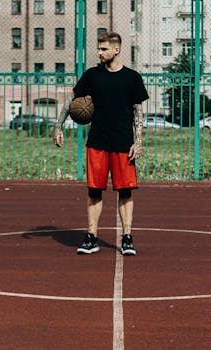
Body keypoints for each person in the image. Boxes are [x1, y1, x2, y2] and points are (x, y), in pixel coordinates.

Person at [53, 31, 149, 255]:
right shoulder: (92, 75)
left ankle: (127, 238)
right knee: (94, 191)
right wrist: (58, 126)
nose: (100, 52)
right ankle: (91, 237)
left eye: (104, 49)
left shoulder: (132, 78)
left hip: (123, 143)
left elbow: (138, 112)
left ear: (116, 50)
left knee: (125, 192)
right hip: (97, 141)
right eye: (99, 48)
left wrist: (139, 141)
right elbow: (71, 102)